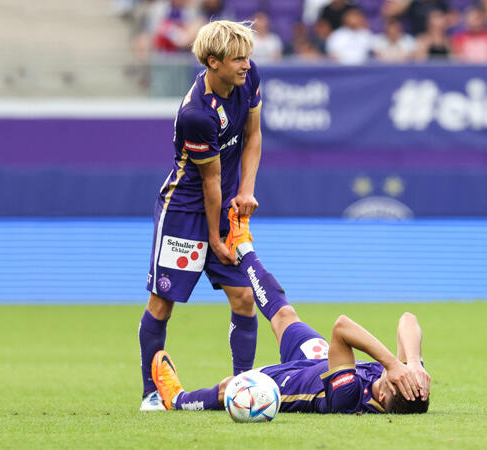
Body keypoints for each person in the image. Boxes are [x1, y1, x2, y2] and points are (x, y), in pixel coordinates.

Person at [151, 214, 432, 414]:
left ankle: (176, 399)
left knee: (233, 389)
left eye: (395, 378)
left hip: (296, 383)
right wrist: (414, 363)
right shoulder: (405, 383)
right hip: (322, 361)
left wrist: (393, 364)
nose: (398, 373)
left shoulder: (349, 398)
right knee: (285, 315)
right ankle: (243, 244)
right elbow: (409, 319)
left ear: (382, 395)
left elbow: (342, 327)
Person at [139, 20, 264, 411]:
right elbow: (209, 180)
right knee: (163, 302)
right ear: (213, 62)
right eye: (237, 58)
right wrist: (214, 236)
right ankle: (151, 394)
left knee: (244, 296)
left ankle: (243, 388)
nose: (246, 64)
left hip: (222, 207)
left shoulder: (248, 79)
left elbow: (253, 136)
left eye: (247, 56)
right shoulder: (197, 113)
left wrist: (246, 190)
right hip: (184, 213)